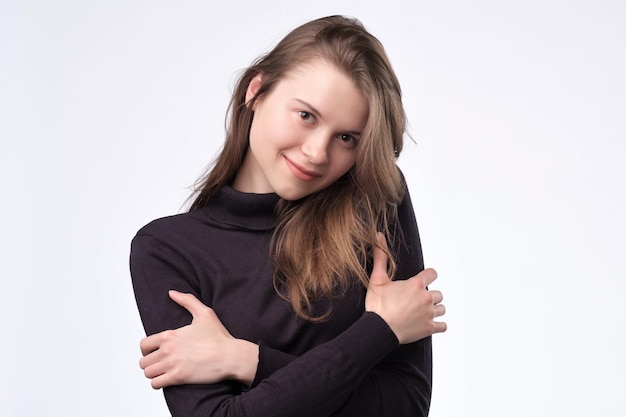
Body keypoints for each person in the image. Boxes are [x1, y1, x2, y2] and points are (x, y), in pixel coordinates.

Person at [130, 15, 447, 417]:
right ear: (256, 91)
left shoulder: (375, 200)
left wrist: (244, 360)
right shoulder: (168, 250)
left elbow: (405, 406)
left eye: (346, 138)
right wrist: (380, 331)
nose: (318, 152)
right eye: (306, 116)